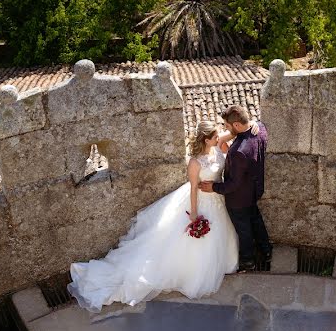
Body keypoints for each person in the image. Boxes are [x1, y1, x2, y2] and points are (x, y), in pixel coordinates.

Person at [67, 121, 238, 312]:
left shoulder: (216, 144)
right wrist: (195, 213)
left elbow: (232, 132)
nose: (218, 138)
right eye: (215, 137)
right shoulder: (195, 162)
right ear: (206, 140)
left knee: (220, 235)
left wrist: (254, 127)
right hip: (202, 202)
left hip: (218, 201)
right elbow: (193, 190)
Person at [200, 105, 272, 273]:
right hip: (255, 190)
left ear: (237, 125)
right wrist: (253, 122)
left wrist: (213, 187)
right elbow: (258, 124)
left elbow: (233, 184)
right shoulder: (260, 129)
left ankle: (248, 261)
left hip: (238, 198)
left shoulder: (239, 151)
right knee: (256, 219)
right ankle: (266, 250)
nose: (225, 128)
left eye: (226, 125)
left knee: (244, 230)